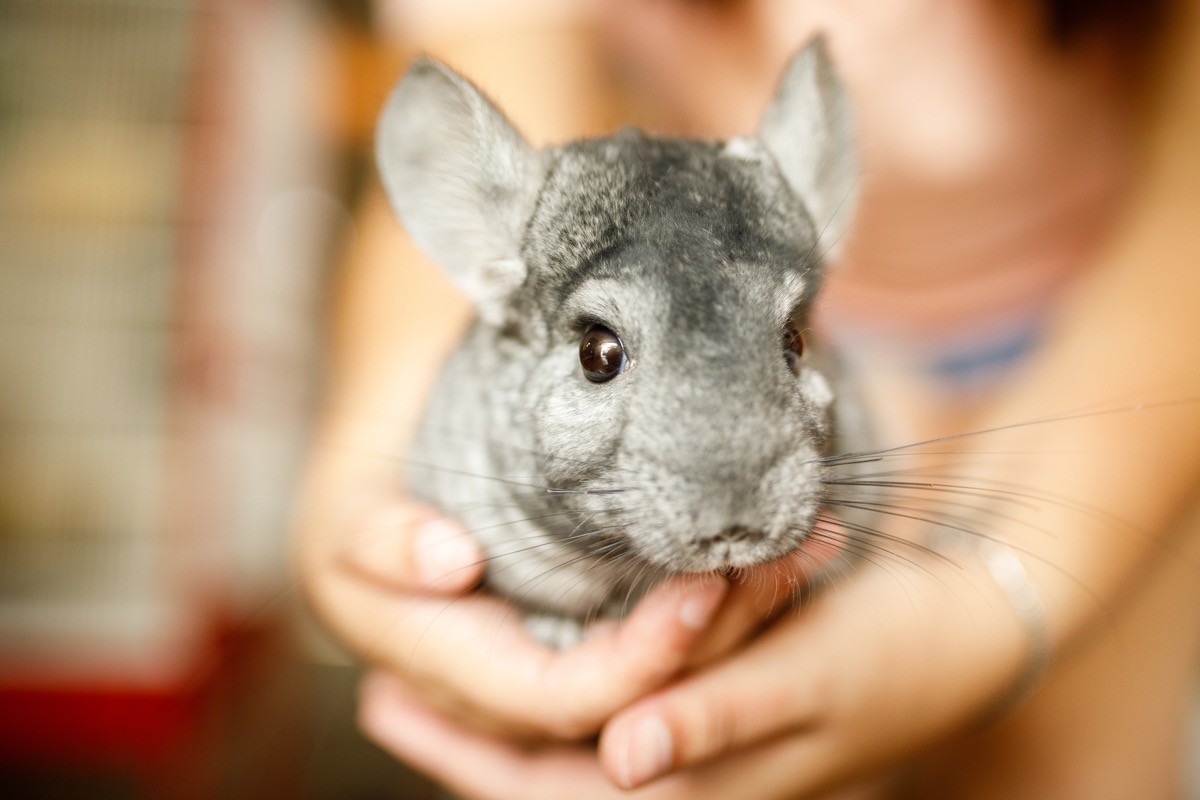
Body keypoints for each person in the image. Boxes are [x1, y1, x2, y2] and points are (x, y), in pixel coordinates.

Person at [295, 0, 1200, 796]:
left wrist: (993, 608)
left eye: (792, 339)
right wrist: (352, 475)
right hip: (725, 285)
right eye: (603, 353)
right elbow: (505, 45)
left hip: (1114, 336)